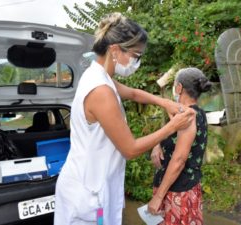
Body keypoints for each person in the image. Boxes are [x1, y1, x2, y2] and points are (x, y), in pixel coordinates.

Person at [54, 13, 195, 225]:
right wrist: (172, 127)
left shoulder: (99, 76)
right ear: (114, 50)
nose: (137, 62)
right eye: (135, 55)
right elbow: (129, 149)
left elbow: (134, 94)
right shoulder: (101, 91)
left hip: (93, 183)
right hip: (88, 194)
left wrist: (165, 103)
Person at [148, 67, 212, 225]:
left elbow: (179, 160)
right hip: (184, 187)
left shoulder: (187, 117)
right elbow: (171, 134)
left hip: (177, 193)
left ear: (179, 88)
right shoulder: (193, 113)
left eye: (175, 85)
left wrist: (158, 197)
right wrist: (158, 144)